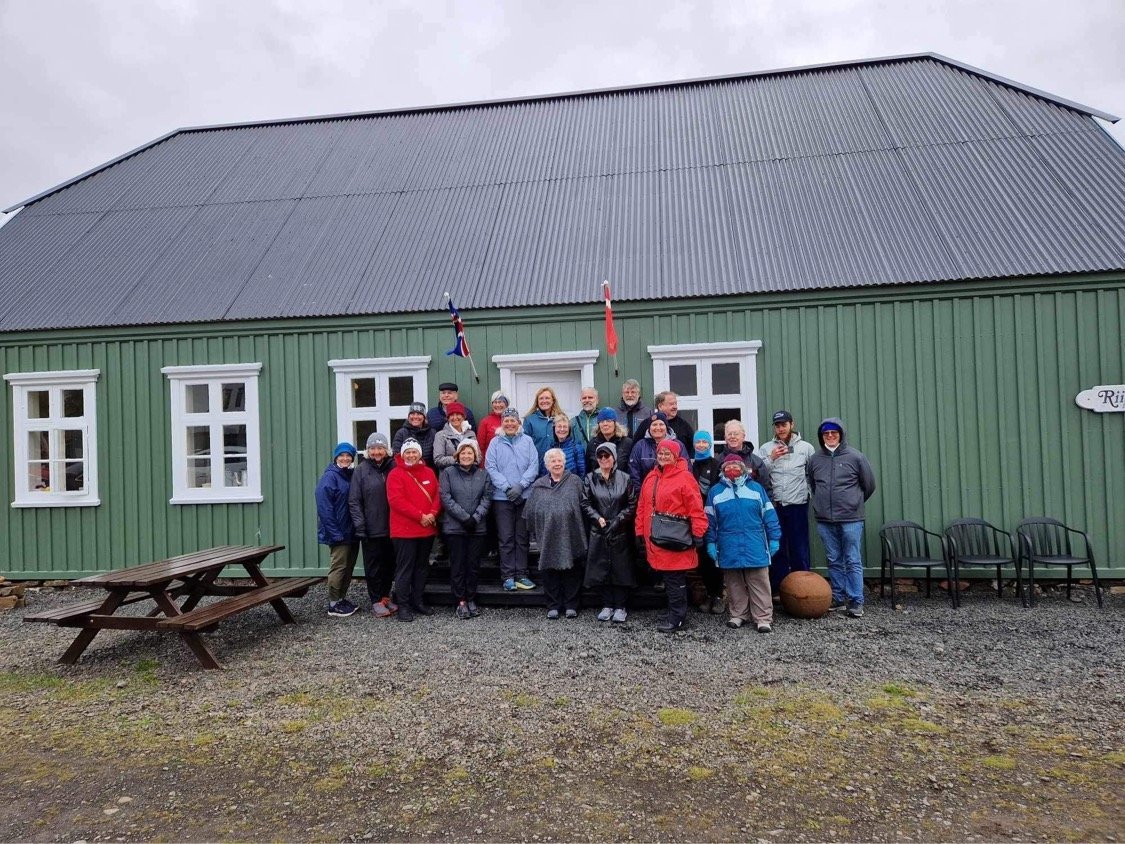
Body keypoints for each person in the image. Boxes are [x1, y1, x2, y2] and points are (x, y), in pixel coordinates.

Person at [635, 439, 708, 632]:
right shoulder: (651, 477)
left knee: (675, 579)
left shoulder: (685, 478)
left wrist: (698, 532)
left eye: (668, 453)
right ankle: (674, 611)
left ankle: (678, 617)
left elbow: (696, 508)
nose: (663, 456)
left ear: (676, 456)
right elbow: (642, 506)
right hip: (656, 537)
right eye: (660, 453)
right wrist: (640, 531)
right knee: (668, 578)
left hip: (675, 538)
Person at [806, 418, 877, 619]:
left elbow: (869, 485)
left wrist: (853, 503)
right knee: (833, 559)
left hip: (851, 519)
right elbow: (812, 483)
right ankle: (838, 597)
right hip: (824, 519)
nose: (830, 436)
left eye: (834, 433)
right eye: (826, 433)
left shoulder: (856, 457)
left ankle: (856, 601)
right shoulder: (815, 459)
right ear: (821, 436)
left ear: (841, 434)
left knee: (852, 559)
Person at [706, 453, 782, 633]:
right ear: (723, 470)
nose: (732, 470)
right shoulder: (715, 492)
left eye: (736, 466)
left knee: (759, 580)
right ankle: (738, 614)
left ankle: (763, 617)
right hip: (728, 542)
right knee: (733, 582)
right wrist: (710, 542)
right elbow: (710, 520)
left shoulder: (756, 489)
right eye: (728, 467)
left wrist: (774, 538)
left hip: (754, 541)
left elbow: (769, 515)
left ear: (743, 469)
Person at [754, 410, 816, 599]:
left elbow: (811, 475)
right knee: (778, 547)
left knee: (799, 547)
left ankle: (802, 591)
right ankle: (778, 589)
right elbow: (759, 474)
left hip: (797, 504)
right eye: (777, 425)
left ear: (792, 424)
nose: (781, 429)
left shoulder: (806, 448)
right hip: (776, 504)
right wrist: (771, 458)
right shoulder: (766, 448)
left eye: (784, 424)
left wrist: (809, 496)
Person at [525, 448, 587, 619]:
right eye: (553, 461)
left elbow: (584, 506)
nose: (557, 463)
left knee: (572, 570)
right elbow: (530, 512)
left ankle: (571, 605)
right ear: (547, 465)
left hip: (571, 532)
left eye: (559, 460)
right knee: (549, 570)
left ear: (564, 463)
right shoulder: (539, 485)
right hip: (547, 534)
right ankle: (553, 604)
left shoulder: (574, 481)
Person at [386, 438, 442, 622]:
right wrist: (421, 516)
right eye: (407, 452)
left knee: (421, 568)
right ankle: (403, 605)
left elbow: (437, 495)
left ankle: (417, 601)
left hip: (426, 530)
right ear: (403, 455)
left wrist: (433, 513)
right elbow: (396, 501)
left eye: (414, 452)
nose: (411, 455)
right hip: (404, 531)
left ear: (419, 453)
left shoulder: (429, 472)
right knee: (405, 569)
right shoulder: (395, 474)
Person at [581, 442, 637, 623]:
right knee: (601, 567)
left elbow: (631, 503)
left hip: (620, 530)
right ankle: (606, 604)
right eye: (600, 456)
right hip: (599, 530)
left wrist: (619, 520)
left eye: (607, 456)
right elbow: (585, 502)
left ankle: (620, 606)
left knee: (621, 568)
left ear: (614, 457)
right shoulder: (590, 478)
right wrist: (597, 518)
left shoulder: (625, 478)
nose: (604, 459)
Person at [485, 408, 539, 592]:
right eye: (506, 420)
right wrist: (507, 487)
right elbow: (490, 467)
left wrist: (521, 486)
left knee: (522, 537)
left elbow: (534, 465)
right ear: (502, 423)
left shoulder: (528, 441)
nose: (509, 424)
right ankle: (508, 576)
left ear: (518, 423)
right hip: (502, 498)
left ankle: (522, 574)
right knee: (506, 538)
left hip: (524, 496)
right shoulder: (495, 442)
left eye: (513, 421)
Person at [439, 440, 492, 619]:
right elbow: (446, 497)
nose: (466, 456)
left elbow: (486, 498)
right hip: (455, 528)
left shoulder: (483, 474)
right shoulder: (448, 473)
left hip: (477, 528)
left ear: (475, 456)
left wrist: (475, 517)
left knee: (473, 565)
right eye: (463, 453)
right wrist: (464, 517)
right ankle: (460, 600)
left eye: (470, 453)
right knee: (458, 565)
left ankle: (471, 598)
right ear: (457, 455)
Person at [347, 432, 398, 618]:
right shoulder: (361, 470)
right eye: (373, 448)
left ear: (386, 449)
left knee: (389, 564)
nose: (377, 452)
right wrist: (360, 525)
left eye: (380, 448)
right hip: (371, 528)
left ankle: (385, 596)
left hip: (392, 526)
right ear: (368, 451)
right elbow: (354, 500)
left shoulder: (393, 466)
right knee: (374, 566)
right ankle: (375, 600)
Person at [316, 441, 360, 618]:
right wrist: (335, 533)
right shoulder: (330, 477)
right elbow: (324, 509)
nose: (345, 458)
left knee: (348, 567)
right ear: (336, 457)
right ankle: (333, 603)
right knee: (338, 567)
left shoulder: (348, 475)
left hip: (350, 531)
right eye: (341, 455)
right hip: (338, 532)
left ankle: (341, 598)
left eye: (348, 456)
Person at [690, 430, 725, 615]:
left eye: (705, 442)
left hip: (713, 517)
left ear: (710, 444)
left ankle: (718, 595)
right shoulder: (690, 465)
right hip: (695, 518)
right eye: (698, 442)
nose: (701, 445)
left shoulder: (716, 464)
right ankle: (706, 594)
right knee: (702, 558)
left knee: (714, 557)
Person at [628, 411, 678, 488]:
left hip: (672, 494)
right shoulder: (640, 446)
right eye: (654, 424)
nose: (658, 428)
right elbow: (634, 472)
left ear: (666, 427)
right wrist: (640, 494)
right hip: (647, 494)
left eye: (661, 424)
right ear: (649, 428)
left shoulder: (677, 444)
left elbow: (685, 467)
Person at [718, 419, 771, 488]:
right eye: (729, 434)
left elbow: (766, 487)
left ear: (743, 437)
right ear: (725, 438)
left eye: (736, 434)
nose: (732, 436)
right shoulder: (718, 461)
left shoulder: (756, 462)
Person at [584, 407, 633, 473]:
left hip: (621, 481)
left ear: (615, 423)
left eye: (608, 421)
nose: (605, 424)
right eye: (601, 421)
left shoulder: (627, 443)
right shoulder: (592, 444)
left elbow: (632, 468)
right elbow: (588, 469)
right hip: (598, 482)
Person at [523, 386, 564, 464]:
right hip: (537, 464)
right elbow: (525, 445)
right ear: (537, 402)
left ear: (553, 401)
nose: (544, 401)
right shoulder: (529, 420)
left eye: (547, 398)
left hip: (557, 464)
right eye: (541, 398)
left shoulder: (561, 418)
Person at [433, 402, 478, 470]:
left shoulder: (471, 434)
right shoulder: (440, 435)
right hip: (449, 475)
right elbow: (438, 459)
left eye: (458, 414)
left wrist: (469, 461)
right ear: (448, 418)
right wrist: (459, 459)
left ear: (463, 417)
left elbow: (478, 456)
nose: (455, 418)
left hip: (469, 474)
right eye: (451, 415)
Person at [392, 402, 437, 467]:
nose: (415, 417)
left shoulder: (432, 433)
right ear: (408, 416)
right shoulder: (401, 433)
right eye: (412, 414)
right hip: (406, 472)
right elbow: (397, 456)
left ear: (424, 417)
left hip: (427, 472)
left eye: (419, 414)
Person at [477, 391, 509, 458]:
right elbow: (480, 447)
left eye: (500, 402)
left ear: (506, 404)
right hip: (490, 462)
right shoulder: (485, 422)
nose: (497, 405)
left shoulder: (512, 421)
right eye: (495, 402)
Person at [571, 387, 601, 452]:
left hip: (600, 459)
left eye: (590, 397)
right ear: (580, 400)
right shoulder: (573, 422)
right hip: (580, 460)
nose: (587, 400)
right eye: (584, 398)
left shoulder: (603, 419)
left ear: (597, 400)